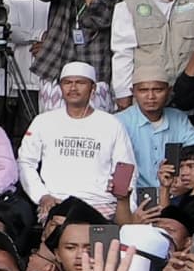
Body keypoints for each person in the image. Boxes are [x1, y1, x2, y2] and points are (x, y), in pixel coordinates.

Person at [18, 62, 133, 215]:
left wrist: (128, 209)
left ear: (93, 88)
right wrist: (41, 196)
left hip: (101, 203)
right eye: (67, 82)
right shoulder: (43, 121)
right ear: (60, 87)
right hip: (57, 202)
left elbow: (125, 167)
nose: (73, 88)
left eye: (80, 82)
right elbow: (25, 162)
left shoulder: (111, 123)